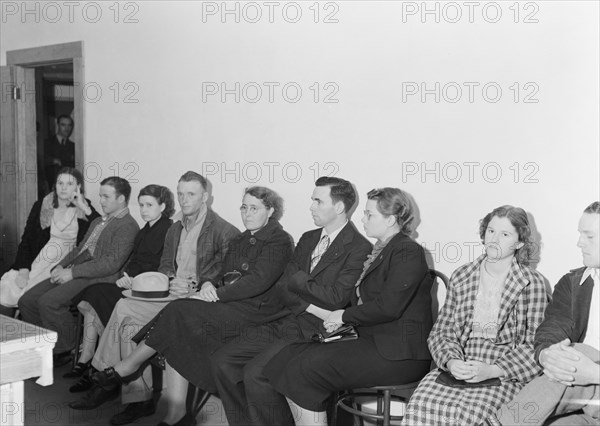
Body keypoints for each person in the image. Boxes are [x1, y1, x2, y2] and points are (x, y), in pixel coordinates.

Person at [86, 186, 294, 426]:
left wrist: (215, 294)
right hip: (232, 303)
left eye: (254, 208)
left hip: (257, 311)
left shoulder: (279, 241)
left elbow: (257, 282)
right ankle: (175, 414)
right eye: (244, 207)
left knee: (180, 311)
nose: (247, 213)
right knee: (179, 324)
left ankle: (129, 366)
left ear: (270, 211)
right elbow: (222, 272)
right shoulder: (241, 239)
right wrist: (208, 285)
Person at [68, 171, 240, 426]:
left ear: (205, 196)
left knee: (128, 318)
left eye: (191, 194)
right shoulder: (175, 228)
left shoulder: (224, 231)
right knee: (124, 307)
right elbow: (164, 268)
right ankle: (131, 391)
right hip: (170, 295)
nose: (184, 199)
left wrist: (196, 284)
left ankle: (113, 378)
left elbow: (228, 275)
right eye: (180, 194)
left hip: (195, 301)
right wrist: (169, 280)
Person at [210, 176, 373, 426]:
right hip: (286, 319)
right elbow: (283, 286)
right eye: (312, 201)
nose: (311, 207)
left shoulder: (359, 247)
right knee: (223, 361)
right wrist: (301, 293)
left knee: (257, 373)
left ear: (339, 207)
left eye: (318, 201)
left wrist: (298, 284)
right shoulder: (308, 238)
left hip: (319, 330)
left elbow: (336, 298)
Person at [264, 187, 433, 426]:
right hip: (372, 342)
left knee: (305, 368)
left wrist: (343, 316)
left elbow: (389, 307)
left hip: (398, 355)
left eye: (369, 214)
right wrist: (329, 314)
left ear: (391, 220)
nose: (362, 219)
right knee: (287, 358)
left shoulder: (407, 251)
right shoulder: (382, 251)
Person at [403, 205, 548, 425]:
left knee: (474, 414)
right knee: (421, 405)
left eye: (505, 234)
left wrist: (491, 370)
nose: (494, 239)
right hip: (459, 366)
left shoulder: (532, 283)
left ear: (519, 243)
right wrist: (452, 362)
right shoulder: (462, 275)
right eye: (491, 231)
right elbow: (442, 332)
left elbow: (535, 345)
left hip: (503, 373)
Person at [490, 201, 600, 425]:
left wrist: (594, 374)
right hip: (581, 396)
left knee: (578, 351)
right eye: (580, 234)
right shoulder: (573, 283)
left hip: (588, 380)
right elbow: (551, 329)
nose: (579, 243)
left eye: (589, 236)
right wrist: (547, 354)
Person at [18, 176, 139, 366]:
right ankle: (49, 343)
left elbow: (110, 264)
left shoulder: (128, 226)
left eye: (106, 197)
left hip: (100, 278)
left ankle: (65, 348)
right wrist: (61, 266)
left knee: (48, 302)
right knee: (27, 300)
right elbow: (81, 248)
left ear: (121, 199)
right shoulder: (99, 221)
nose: (101, 201)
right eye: (101, 196)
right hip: (79, 271)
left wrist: (73, 273)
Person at [64, 184, 175, 390]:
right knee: (93, 293)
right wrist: (126, 277)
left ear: (163, 206)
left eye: (149, 205)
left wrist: (135, 280)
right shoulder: (145, 230)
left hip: (148, 291)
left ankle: (98, 367)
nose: (143, 210)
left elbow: (161, 269)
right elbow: (134, 263)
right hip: (132, 284)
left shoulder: (168, 229)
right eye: (141, 205)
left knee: (99, 296)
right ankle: (86, 356)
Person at [0, 168, 98, 315]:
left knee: (31, 296)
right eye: (60, 183)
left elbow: (102, 228)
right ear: (55, 185)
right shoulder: (43, 204)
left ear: (78, 187)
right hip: (39, 257)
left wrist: (84, 207)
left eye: (70, 183)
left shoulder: (84, 206)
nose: (64, 187)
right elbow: (27, 239)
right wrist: (24, 269)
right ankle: (9, 333)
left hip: (65, 261)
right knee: (8, 286)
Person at [44, 115, 76, 191]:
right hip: (49, 186)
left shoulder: (73, 146)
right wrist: (52, 160)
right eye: (63, 125)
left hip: (67, 187)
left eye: (69, 125)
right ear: (57, 125)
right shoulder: (46, 143)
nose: (67, 128)